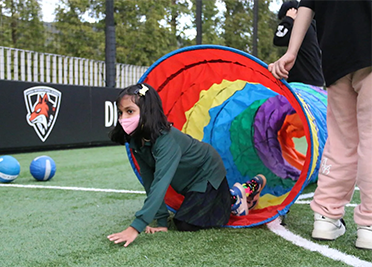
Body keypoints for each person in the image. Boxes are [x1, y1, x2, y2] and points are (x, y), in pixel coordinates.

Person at [107, 83, 267, 247]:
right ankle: (236, 194)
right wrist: (162, 221)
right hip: (190, 182)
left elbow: (161, 182)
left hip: (207, 171)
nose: (123, 118)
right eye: (120, 112)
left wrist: (135, 227)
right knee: (186, 217)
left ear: (148, 112)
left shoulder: (165, 140)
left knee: (185, 224)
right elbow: (150, 180)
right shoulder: (136, 140)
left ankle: (238, 195)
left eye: (130, 111)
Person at [268, 0, 372, 250]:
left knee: (340, 140)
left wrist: (291, 52)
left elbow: (307, 6)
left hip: (335, 59)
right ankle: (369, 224)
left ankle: (326, 216)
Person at [273, 0, 324, 87]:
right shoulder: (314, 28)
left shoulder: (302, 29)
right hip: (315, 80)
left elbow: (278, 38)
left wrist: (288, 19)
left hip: (303, 82)